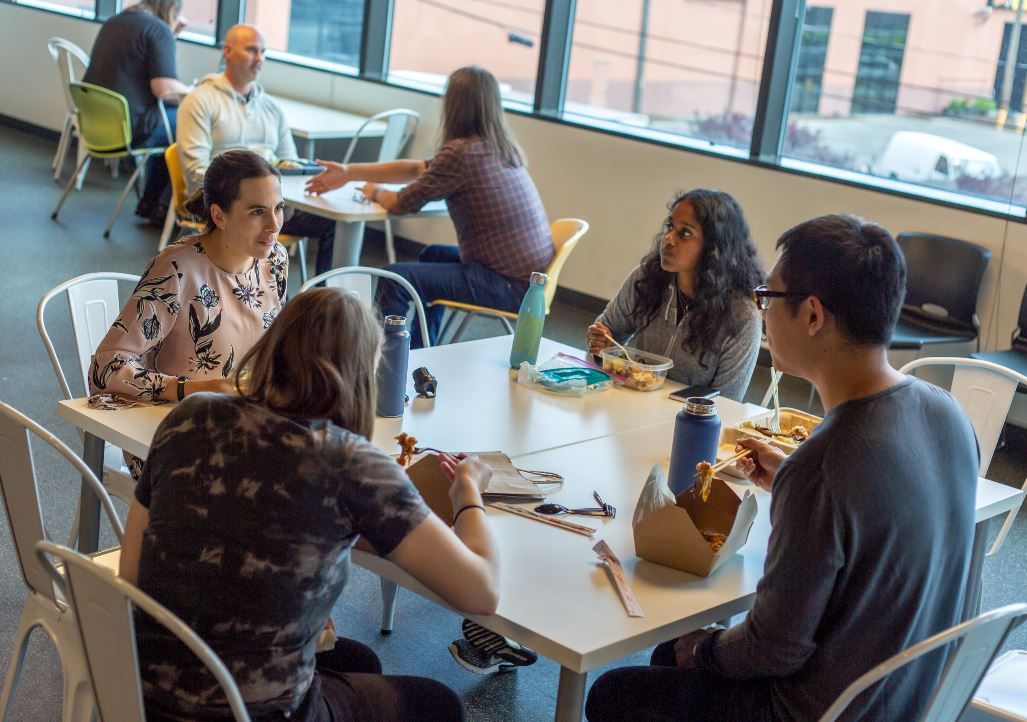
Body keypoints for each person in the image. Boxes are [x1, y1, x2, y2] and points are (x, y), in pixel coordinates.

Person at [585, 214, 979, 721]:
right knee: (671, 659)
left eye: (767, 298)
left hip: (821, 710)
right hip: (917, 697)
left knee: (616, 692)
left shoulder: (824, 464)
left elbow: (774, 648)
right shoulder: (945, 411)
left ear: (813, 316)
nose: (762, 311)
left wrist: (701, 648)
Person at [118, 288, 501, 721]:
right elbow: (481, 592)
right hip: (256, 711)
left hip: (143, 694)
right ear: (361, 373)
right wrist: (467, 490)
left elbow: (131, 573)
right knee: (438, 704)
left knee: (358, 663)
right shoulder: (351, 464)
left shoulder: (191, 416)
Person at [306, 66, 553, 348]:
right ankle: (423, 346)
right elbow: (415, 169)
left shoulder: (461, 153)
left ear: (454, 106)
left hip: (507, 285)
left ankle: (388, 358)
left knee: (396, 278)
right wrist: (350, 171)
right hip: (529, 279)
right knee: (431, 255)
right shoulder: (498, 147)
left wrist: (374, 190)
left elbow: (402, 203)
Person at [89, 149, 288, 409]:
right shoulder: (177, 270)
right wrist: (196, 389)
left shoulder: (274, 259)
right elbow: (105, 369)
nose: (274, 225)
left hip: (243, 419)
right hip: (177, 427)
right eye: (257, 212)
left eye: (279, 208)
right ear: (219, 216)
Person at [176, 23, 336, 276]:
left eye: (263, 52)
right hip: (224, 204)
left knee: (333, 221)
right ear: (227, 51)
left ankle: (324, 307)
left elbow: (289, 162)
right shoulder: (200, 100)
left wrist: (274, 200)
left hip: (270, 206)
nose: (259, 59)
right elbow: (196, 171)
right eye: (252, 50)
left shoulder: (271, 108)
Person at [586, 189, 763, 402]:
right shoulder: (646, 277)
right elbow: (606, 338)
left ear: (714, 247)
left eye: (685, 233)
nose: (668, 239)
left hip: (689, 423)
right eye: (671, 227)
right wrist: (603, 348)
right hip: (629, 402)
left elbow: (726, 403)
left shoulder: (741, 316)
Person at [83, 0, 191, 225]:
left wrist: (171, 35)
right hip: (131, 130)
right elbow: (165, 89)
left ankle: (151, 203)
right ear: (172, 9)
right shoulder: (158, 29)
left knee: (172, 121)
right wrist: (197, 92)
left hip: (95, 124)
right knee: (189, 122)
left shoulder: (115, 21)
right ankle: (163, 206)